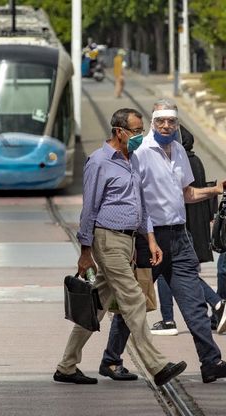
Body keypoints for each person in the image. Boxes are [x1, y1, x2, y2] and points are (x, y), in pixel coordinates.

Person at [53, 108, 186, 386]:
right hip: (107, 238)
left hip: (127, 241)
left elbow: (141, 205)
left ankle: (66, 366)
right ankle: (157, 365)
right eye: (136, 131)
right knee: (134, 299)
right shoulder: (99, 161)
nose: (140, 136)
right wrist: (85, 251)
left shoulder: (133, 160)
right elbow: (89, 209)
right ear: (118, 131)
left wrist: (149, 240)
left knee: (97, 306)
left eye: (140, 131)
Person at [99, 99, 226, 384]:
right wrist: (147, 238)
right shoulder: (140, 153)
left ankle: (211, 362)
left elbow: (187, 194)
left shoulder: (179, 150)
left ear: (177, 124)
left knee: (193, 302)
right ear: (153, 123)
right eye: (160, 121)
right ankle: (111, 360)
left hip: (180, 238)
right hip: (148, 240)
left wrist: (216, 189)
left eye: (171, 121)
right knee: (135, 303)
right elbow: (136, 200)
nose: (166, 126)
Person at [151, 124, 226, 336]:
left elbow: (185, 196)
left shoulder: (182, 161)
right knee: (176, 273)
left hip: (181, 230)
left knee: (175, 273)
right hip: (188, 228)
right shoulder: (194, 160)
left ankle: (170, 320)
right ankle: (213, 307)